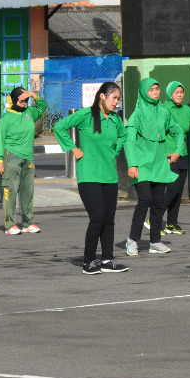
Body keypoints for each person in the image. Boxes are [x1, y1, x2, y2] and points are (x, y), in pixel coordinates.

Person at [54, 82, 129, 274]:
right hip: (89, 176)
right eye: (114, 98)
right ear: (102, 96)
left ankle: (107, 259)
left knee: (109, 220)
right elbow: (60, 127)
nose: (116, 102)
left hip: (109, 176)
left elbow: (123, 136)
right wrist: (73, 148)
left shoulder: (115, 120)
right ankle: (89, 261)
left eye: (118, 99)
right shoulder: (85, 115)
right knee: (97, 217)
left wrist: (114, 151)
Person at [123, 78, 186, 257]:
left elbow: (178, 131)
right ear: (144, 92)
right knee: (145, 200)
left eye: (157, 89)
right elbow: (130, 141)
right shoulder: (137, 115)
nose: (155, 92)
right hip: (141, 165)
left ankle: (155, 241)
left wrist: (178, 151)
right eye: (151, 90)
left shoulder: (164, 112)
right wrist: (132, 164)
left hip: (160, 165)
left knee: (158, 203)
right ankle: (132, 240)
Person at [0, 86, 47, 235]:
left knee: (27, 191)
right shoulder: (6, 118)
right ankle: (10, 224)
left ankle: (27, 223)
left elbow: (43, 106)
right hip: (11, 156)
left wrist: (33, 94)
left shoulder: (29, 113)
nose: (24, 102)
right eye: (21, 99)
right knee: (10, 191)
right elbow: (0, 140)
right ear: (14, 99)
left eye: (27, 100)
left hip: (28, 156)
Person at [160, 81, 190, 235]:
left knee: (179, 191)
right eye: (176, 92)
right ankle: (153, 218)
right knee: (172, 188)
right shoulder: (163, 109)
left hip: (183, 155)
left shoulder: (187, 110)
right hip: (168, 155)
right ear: (169, 94)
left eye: (181, 92)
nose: (180, 95)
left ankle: (171, 223)